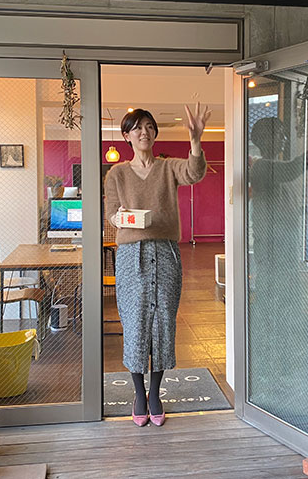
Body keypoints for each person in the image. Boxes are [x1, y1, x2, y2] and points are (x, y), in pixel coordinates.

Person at [104, 104, 210, 426]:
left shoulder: (167, 168)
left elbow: (194, 172)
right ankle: (138, 393)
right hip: (130, 256)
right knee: (135, 322)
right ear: (126, 136)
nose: (144, 132)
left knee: (164, 320)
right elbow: (111, 213)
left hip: (165, 253)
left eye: (149, 126)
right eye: (137, 128)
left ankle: (155, 392)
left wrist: (195, 140)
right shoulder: (117, 174)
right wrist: (124, 218)